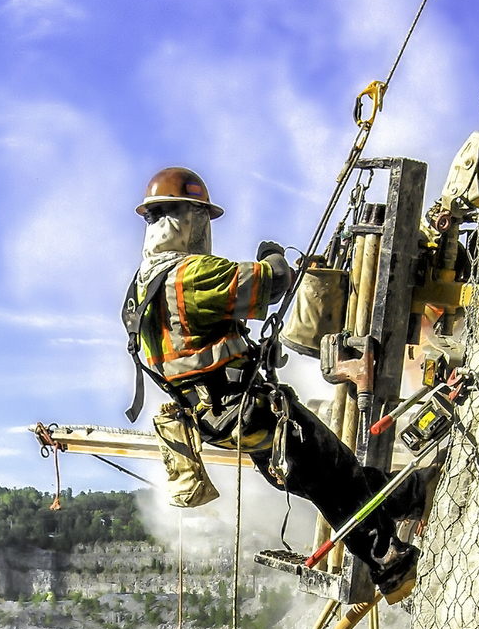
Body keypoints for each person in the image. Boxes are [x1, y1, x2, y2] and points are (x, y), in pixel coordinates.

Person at [125, 166, 439, 604]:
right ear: (188, 219)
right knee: (336, 474)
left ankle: (408, 495)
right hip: (248, 410)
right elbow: (270, 284)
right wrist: (273, 257)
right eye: (201, 220)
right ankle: (389, 562)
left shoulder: (140, 290)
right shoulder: (190, 275)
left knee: (325, 478)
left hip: (215, 420)